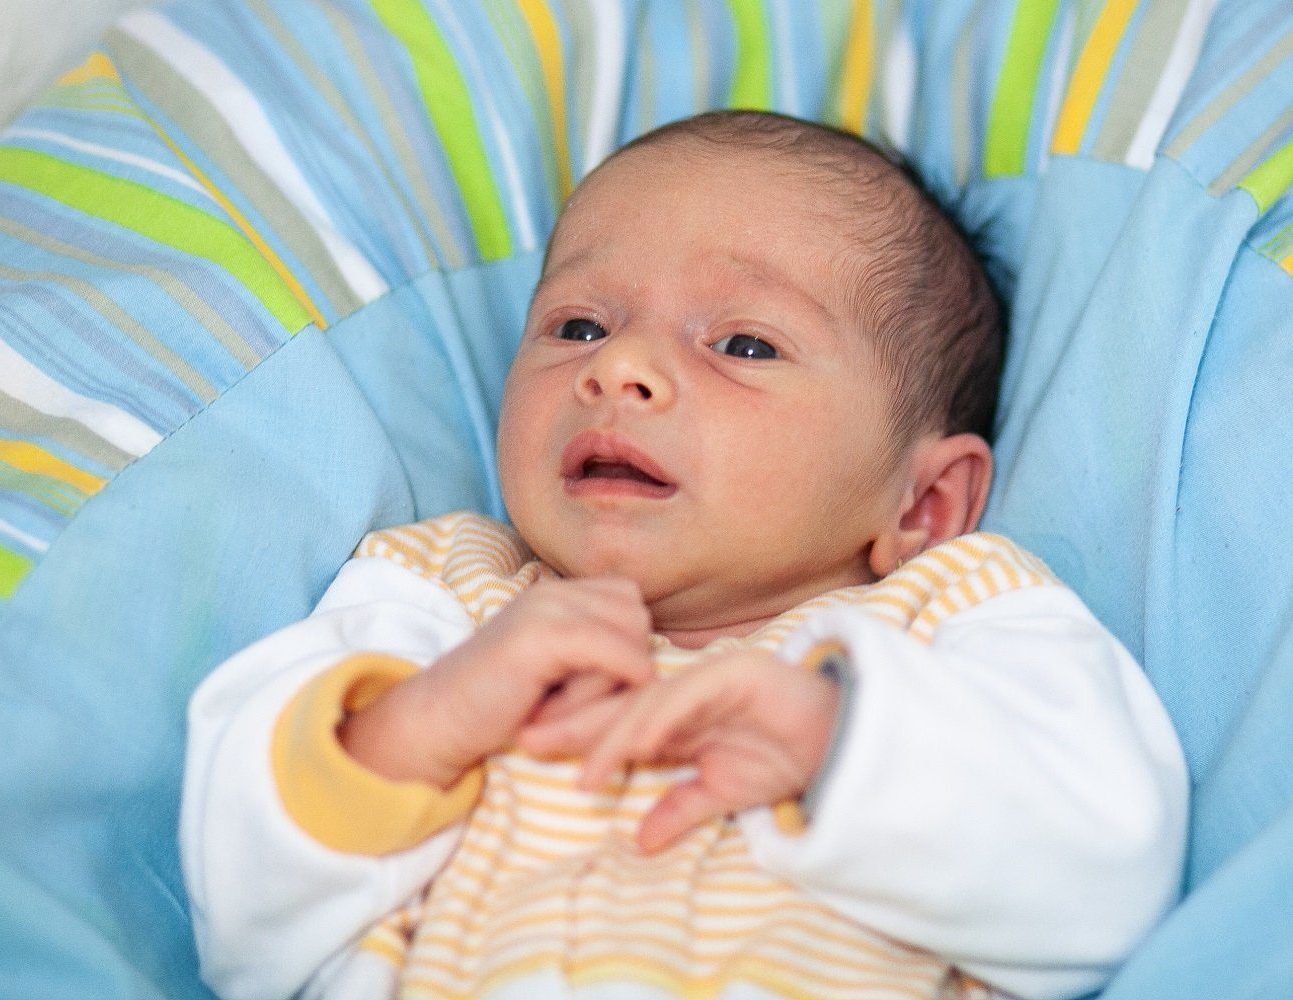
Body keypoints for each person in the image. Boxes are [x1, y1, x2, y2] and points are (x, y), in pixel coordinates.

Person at [180, 111, 1187, 1000]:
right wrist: (424, 725)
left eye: (744, 344)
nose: (618, 368)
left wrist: (836, 746)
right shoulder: (441, 593)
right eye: (579, 324)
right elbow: (239, 911)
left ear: (922, 502)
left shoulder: (961, 619)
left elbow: (1108, 877)